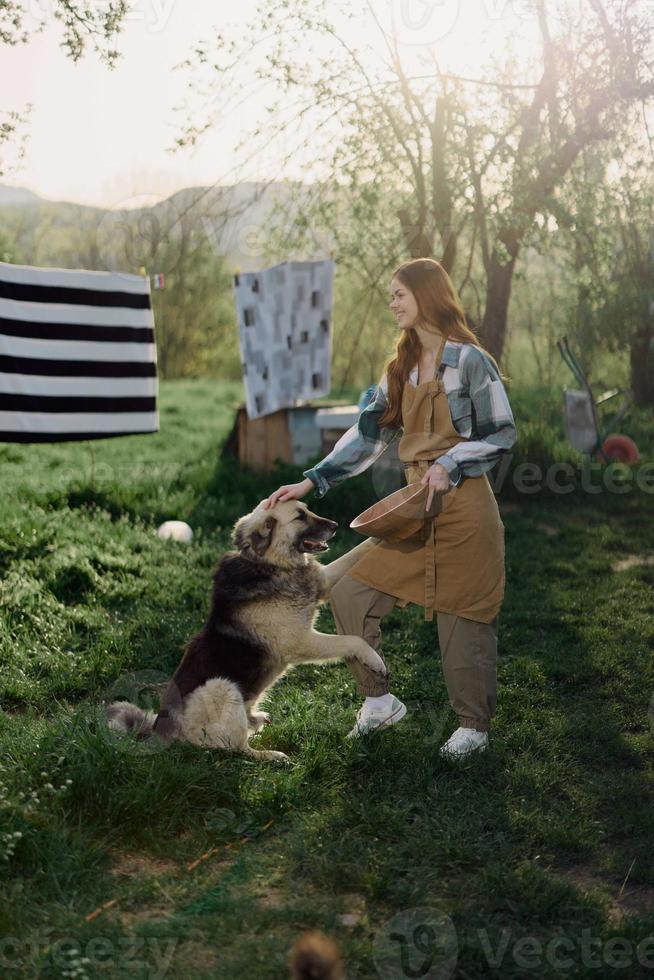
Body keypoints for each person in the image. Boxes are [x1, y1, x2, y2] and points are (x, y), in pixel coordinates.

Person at [264, 258, 517, 760]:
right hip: (413, 508)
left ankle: (473, 727)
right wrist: (313, 481)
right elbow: (366, 437)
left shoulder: (469, 362)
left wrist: (449, 461)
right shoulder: (399, 368)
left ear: (428, 295)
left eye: (399, 293)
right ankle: (379, 704)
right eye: (390, 294)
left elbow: (501, 432)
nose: (392, 301)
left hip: (465, 509)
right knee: (350, 593)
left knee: (463, 616)